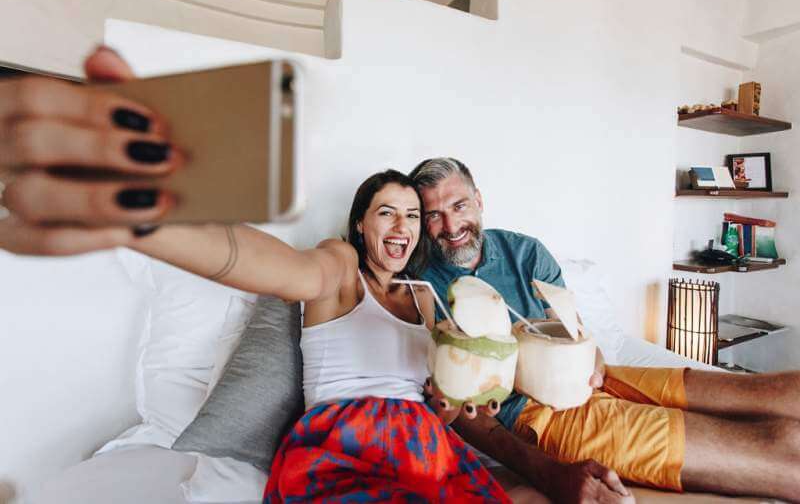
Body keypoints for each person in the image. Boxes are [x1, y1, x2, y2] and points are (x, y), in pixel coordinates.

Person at [0, 48, 512, 501]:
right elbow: (286, 272)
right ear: (361, 223)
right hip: (346, 447)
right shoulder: (340, 264)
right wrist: (150, 221)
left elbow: (436, 404)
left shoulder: (426, 298)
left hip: (427, 449)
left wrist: (447, 408)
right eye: (387, 212)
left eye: (412, 215)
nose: (403, 226)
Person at [409, 157, 800, 502]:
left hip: (594, 377)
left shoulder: (524, 252)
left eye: (459, 206)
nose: (451, 225)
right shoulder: (423, 285)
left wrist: (592, 358)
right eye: (434, 215)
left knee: (764, 393)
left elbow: (572, 327)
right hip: (538, 415)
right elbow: (458, 406)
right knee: (778, 450)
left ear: (479, 201)